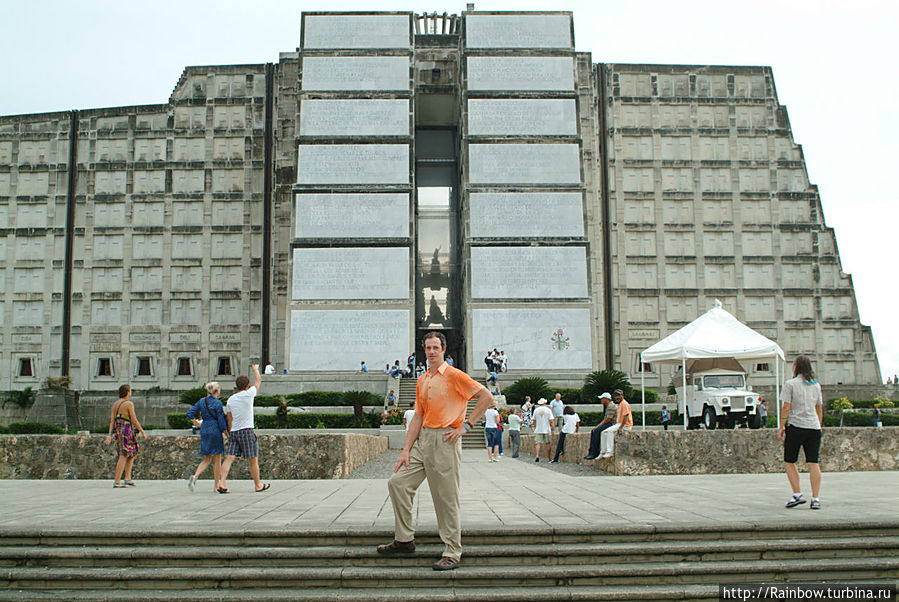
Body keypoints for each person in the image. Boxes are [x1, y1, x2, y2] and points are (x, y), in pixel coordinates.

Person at [378, 331, 494, 571]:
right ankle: (404, 539)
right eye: (428, 348)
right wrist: (406, 450)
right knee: (397, 483)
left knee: (446, 498)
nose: (431, 352)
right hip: (424, 442)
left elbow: (486, 396)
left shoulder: (454, 375)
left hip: (446, 439)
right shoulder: (423, 379)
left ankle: (452, 551)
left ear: (444, 350)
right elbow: (418, 416)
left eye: (435, 348)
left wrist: (467, 425)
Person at [779, 355, 823, 510]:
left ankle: (797, 494)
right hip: (814, 427)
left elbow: (786, 407)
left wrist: (781, 426)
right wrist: (819, 424)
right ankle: (815, 498)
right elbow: (819, 408)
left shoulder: (790, 384)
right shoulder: (816, 385)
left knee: (790, 461)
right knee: (813, 462)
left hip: (796, 426)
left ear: (796, 366)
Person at [219, 364, 270, 494]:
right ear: (247, 386)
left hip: (235, 431)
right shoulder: (249, 394)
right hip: (247, 431)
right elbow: (258, 381)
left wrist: (230, 433)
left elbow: (229, 418)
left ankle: (222, 483)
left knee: (229, 458)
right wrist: (255, 369)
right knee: (253, 460)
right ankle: (258, 485)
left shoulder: (230, 399)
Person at [186, 381, 229, 492]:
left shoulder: (202, 401)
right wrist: (227, 434)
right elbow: (221, 421)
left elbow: (190, 413)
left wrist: (197, 424)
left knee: (206, 458)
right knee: (217, 459)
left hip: (204, 429)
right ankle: (216, 485)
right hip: (214, 429)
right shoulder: (218, 403)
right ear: (216, 391)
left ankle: (195, 477)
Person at [104, 384, 148, 488]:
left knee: (131, 454)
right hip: (127, 430)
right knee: (123, 455)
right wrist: (142, 431)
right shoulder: (129, 404)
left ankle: (127, 478)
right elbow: (133, 419)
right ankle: (117, 481)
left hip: (119, 431)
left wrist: (110, 434)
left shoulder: (115, 404)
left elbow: (112, 421)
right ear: (128, 392)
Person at [599, 389, 632, 458]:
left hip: (625, 424)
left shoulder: (624, 404)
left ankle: (609, 451)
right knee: (604, 432)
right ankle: (603, 451)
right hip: (619, 424)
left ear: (622, 395)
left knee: (609, 432)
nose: (617, 397)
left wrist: (620, 428)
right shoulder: (620, 404)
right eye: (616, 396)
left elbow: (626, 416)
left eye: (619, 395)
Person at [584, 393, 617, 460]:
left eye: (602, 399)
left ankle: (594, 452)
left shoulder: (611, 406)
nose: (601, 400)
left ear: (607, 399)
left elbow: (608, 419)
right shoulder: (608, 406)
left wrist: (598, 426)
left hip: (611, 424)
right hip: (609, 423)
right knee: (594, 431)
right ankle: (592, 452)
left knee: (596, 431)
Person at [532, 398, 554, 463]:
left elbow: (534, 420)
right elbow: (551, 421)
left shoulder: (536, 410)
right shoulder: (548, 410)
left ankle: (537, 455)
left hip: (539, 429)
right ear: (545, 403)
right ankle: (549, 458)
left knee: (538, 443)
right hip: (546, 429)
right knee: (548, 443)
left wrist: (536, 427)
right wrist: (553, 429)